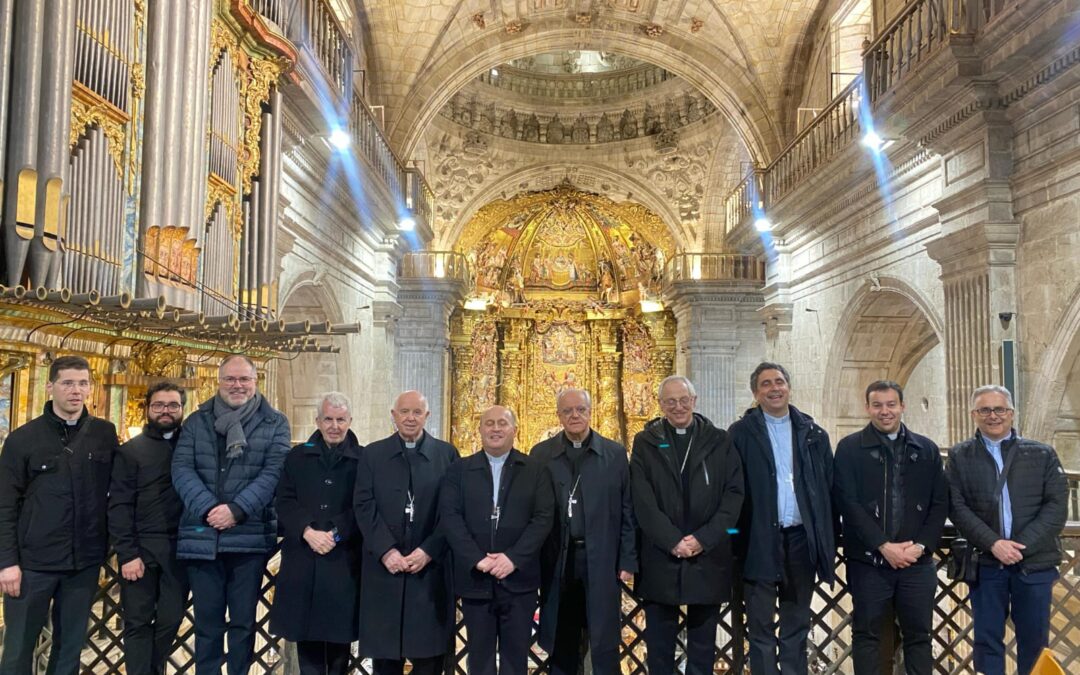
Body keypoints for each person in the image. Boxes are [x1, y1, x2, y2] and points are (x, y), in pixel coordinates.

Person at [171, 354, 290, 675]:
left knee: (243, 624)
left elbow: (274, 472)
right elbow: (182, 469)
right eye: (230, 379)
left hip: (248, 537)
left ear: (255, 382)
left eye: (244, 379)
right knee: (206, 624)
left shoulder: (274, 422)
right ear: (218, 381)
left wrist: (237, 510)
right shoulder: (197, 421)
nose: (237, 385)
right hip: (202, 535)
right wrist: (210, 509)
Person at [0, 355, 119, 675]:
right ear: (50, 386)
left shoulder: (105, 434)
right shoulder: (22, 439)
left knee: (70, 649)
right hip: (32, 564)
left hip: (83, 563)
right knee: (18, 649)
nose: (76, 391)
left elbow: (117, 493)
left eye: (83, 383)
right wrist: (7, 562)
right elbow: (5, 504)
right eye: (68, 383)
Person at [946, 385, 1068, 675]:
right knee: (987, 641)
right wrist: (994, 544)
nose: (993, 416)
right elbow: (957, 506)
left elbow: (1056, 507)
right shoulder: (960, 456)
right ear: (974, 415)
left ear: (1011, 413)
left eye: (999, 409)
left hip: (1034, 564)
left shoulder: (1043, 454)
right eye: (985, 410)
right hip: (987, 564)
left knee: (1036, 643)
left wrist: (1020, 545)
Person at [630, 375, 744, 675]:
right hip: (661, 554)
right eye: (670, 401)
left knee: (703, 647)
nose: (678, 407)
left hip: (708, 554)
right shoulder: (646, 442)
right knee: (659, 646)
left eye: (683, 400)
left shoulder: (720, 440)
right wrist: (672, 540)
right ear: (660, 405)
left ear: (694, 401)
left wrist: (702, 539)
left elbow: (733, 496)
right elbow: (642, 500)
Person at [833, 380, 947, 675]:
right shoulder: (849, 449)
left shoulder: (927, 449)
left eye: (891, 404)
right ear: (867, 408)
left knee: (919, 637)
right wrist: (883, 545)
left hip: (917, 563)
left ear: (902, 406)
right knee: (867, 635)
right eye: (878, 405)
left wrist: (920, 547)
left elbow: (939, 503)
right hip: (870, 562)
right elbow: (848, 503)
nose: (885, 411)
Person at [728, 363, 835, 675]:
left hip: (801, 538)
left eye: (779, 382)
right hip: (758, 539)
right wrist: (734, 537)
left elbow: (827, 489)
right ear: (756, 393)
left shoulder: (814, 434)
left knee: (796, 624)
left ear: (789, 387)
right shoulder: (740, 434)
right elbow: (733, 490)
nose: (774, 388)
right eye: (766, 384)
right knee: (759, 628)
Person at [440, 405, 554, 675]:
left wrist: (513, 558)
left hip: (519, 580)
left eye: (502, 423)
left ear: (514, 430)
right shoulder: (460, 470)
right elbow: (451, 517)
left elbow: (543, 518)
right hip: (475, 579)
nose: (495, 429)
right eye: (489, 423)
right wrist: (477, 559)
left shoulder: (535, 469)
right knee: (479, 658)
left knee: (516, 659)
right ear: (479, 429)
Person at [530, 389, 637, 675]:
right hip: (559, 560)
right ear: (559, 415)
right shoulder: (542, 455)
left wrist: (628, 559)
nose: (574, 416)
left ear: (591, 411)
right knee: (562, 637)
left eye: (580, 409)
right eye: (567, 411)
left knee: (603, 638)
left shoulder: (613, 454)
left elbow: (627, 509)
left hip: (601, 559)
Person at [353, 391, 458, 675]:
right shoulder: (373, 454)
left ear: (427, 416)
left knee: (428, 659)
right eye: (404, 412)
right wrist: (386, 550)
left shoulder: (446, 454)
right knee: (385, 660)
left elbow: (452, 512)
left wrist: (428, 551)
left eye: (417, 412)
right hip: (384, 569)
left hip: (429, 571)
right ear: (393, 415)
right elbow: (363, 504)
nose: (410, 418)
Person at [271, 392, 364, 675]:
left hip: (343, 561)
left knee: (339, 645)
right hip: (303, 558)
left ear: (350, 421)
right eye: (328, 419)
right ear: (318, 421)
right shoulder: (297, 457)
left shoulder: (364, 459)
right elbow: (284, 500)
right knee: (306, 640)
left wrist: (335, 533)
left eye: (340, 419)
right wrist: (307, 531)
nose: (334, 425)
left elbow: (365, 504)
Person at [110, 382, 190, 675]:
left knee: (171, 619)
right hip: (141, 549)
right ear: (147, 409)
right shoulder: (130, 452)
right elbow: (118, 505)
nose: (165, 411)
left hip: (180, 548)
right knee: (137, 622)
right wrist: (127, 553)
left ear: (183, 409)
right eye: (159, 405)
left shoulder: (192, 447)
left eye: (173, 405)